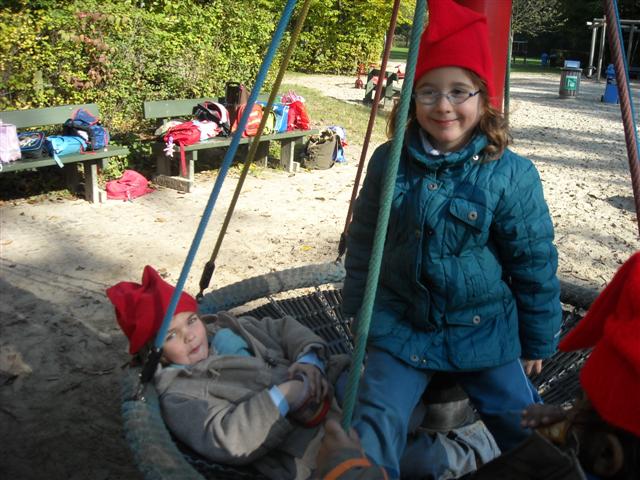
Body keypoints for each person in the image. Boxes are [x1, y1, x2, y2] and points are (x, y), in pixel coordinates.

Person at [341, 0, 562, 477]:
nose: (443, 105)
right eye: (428, 92)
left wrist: (536, 342)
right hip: (401, 324)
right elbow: (364, 243)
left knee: (526, 420)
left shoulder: (510, 174)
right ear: (410, 99)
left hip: (482, 327)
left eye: (459, 91)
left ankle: (560, 470)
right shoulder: (389, 161)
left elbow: (533, 263)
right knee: (374, 419)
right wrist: (359, 314)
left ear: (483, 100)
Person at [320, 252, 640, 479]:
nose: (568, 412)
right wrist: (565, 432)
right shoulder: (599, 462)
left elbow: (531, 255)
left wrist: (344, 471)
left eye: (581, 404)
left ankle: (464, 450)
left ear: (608, 455)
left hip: (475, 333)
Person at [107, 265, 350, 480]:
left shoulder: (228, 328)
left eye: (191, 320)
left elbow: (283, 328)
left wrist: (309, 359)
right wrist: (285, 396)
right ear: (154, 352)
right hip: (309, 446)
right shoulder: (180, 394)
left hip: (332, 382)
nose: (189, 336)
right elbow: (228, 437)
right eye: (171, 335)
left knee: (369, 390)